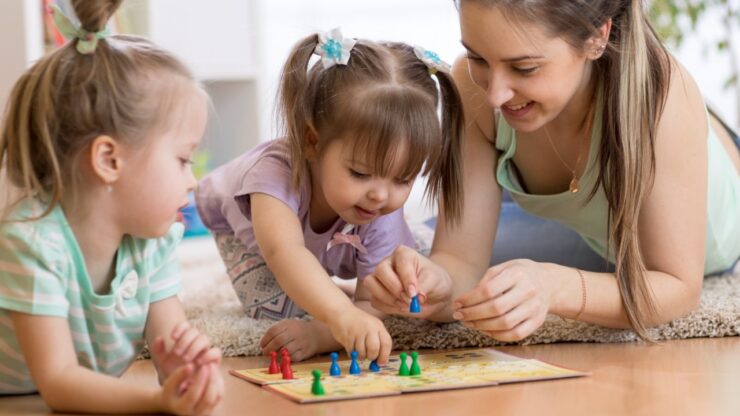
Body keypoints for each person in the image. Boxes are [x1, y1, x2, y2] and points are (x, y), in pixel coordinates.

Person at [365, 0, 740, 342]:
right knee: (426, 253)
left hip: (715, 197)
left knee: (520, 274)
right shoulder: (477, 90)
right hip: (591, 224)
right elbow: (460, 262)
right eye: (478, 58)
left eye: (524, 67)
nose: (494, 96)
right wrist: (437, 286)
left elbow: (678, 288)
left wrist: (553, 286)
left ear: (596, 38)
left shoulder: (660, 97)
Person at [0, 1, 223, 413]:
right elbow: (59, 382)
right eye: (182, 159)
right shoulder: (31, 241)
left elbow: (168, 349)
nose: (192, 179)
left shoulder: (152, 242)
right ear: (109, 160)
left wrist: (185, 371)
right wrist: (156, 402)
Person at [195, 28, 463, 363]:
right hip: (248, 228)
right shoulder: (271, 176)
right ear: (312, 141)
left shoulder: (379, 205)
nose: (381, 195)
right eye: (361, 173)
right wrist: (339, 314)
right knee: (277, 311)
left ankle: (334, 286)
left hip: (341, 234)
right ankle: (328, 291)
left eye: (403, 179)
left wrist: (325, 333)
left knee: (404, 281)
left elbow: (371, 303)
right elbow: (284, 252)